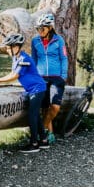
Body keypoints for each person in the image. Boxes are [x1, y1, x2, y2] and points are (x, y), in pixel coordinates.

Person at [0, 33, 47, 153]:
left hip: (37, 89)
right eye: (7, 47)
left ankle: (34, 144)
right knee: (36, 116)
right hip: (34, 89)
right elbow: (11, 73)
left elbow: (15, 76)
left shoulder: (24, 59)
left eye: (9, 47)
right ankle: (44, 141)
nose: (7, 50)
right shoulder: (16, 58)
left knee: (32, 116)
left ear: (17, 47)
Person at [31, 11, 68, 145]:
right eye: (38, 28)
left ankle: (42, 129)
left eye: (43, 28)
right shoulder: (35, 41)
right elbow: (34, 59)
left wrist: (63, 76)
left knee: (55, 107)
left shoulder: (59, 40)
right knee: (45, 108)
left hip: (57, 78)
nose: (40, 31)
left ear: (50, 27)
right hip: (41, 78)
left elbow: (64, 58)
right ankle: (49, 133)